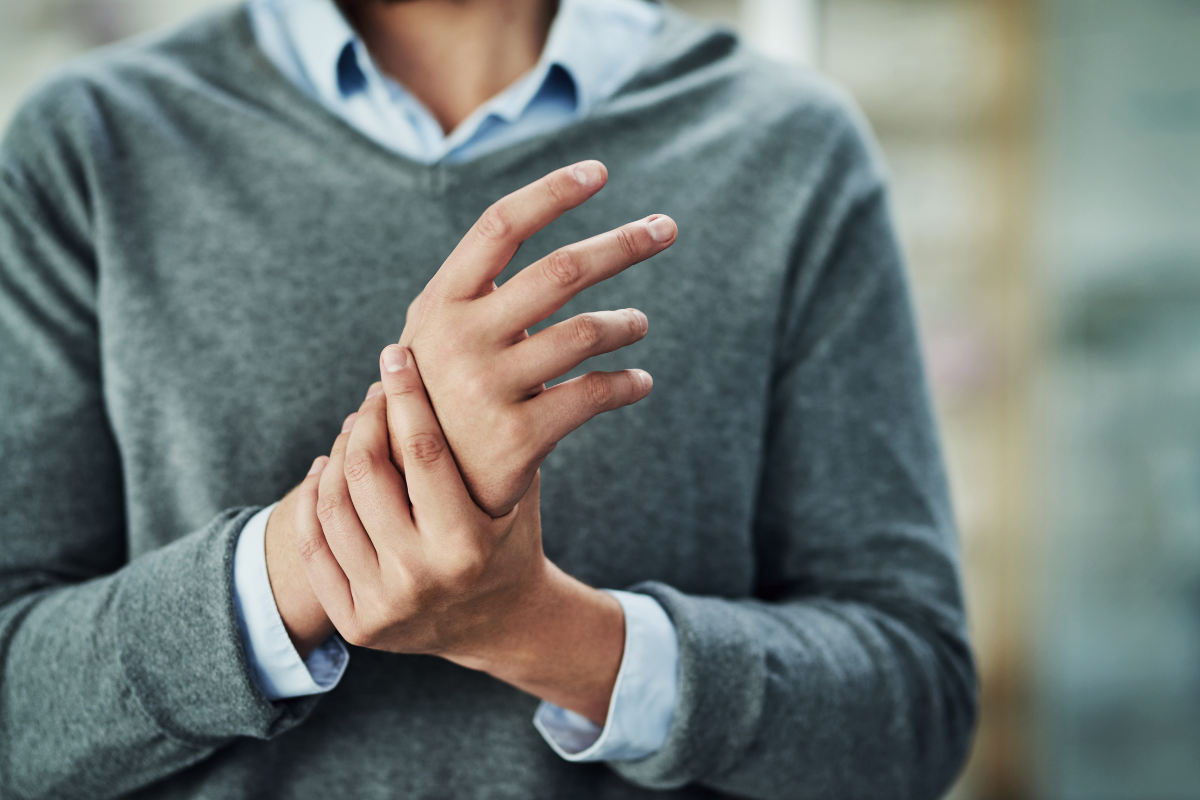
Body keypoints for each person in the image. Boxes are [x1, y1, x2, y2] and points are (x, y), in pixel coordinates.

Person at [0, 0, 977, 797]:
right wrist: (313, 560)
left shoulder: (789, 148)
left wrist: (533, 628)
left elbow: (913, 709)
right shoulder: (90, 145)